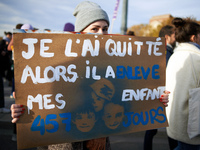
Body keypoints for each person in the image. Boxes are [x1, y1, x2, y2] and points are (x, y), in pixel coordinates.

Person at [10, 1, 169, 150]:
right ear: (81, 31)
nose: (101, 33)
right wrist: (22, 110)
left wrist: (154, 98)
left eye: (105, 28)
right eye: (95, 28)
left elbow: (125, 99)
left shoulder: (111, 64)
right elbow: (42, 100)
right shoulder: (59, 62)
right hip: (62, 142)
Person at [166, 17, 200, 150]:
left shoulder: (176, 55)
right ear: (193, 38)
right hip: (192, 125)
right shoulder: (195, 58)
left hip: (179, 121)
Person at [143, 24, 176, 150]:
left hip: (153, 94)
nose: (176, 39)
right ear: (167, 37)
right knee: (170, 129)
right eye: (174, 36)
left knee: (151, 130)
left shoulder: (154, 52)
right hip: (162, 96)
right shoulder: (166, 53)